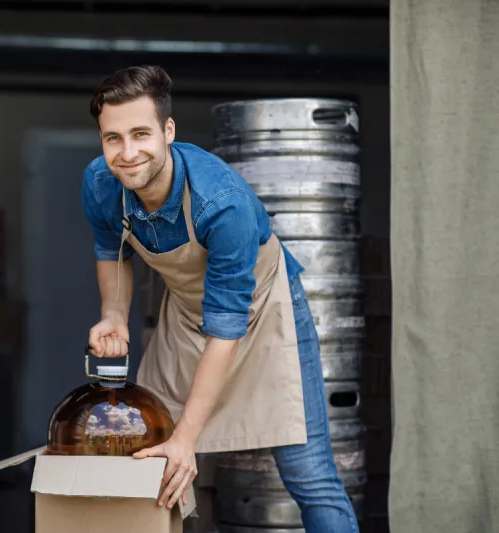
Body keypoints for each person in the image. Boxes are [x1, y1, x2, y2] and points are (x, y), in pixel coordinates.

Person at [81, 65, 359, 533]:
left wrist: (187, 439)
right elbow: (113, 249)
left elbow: (228, 324)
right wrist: (114, 315)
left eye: (141, 134)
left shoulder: (221, 202)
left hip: (263, 312)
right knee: (145, 449)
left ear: (169, 131)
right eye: (113, 138)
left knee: (309, 477)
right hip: (187, 316)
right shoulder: (101, 184)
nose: (127, 153)